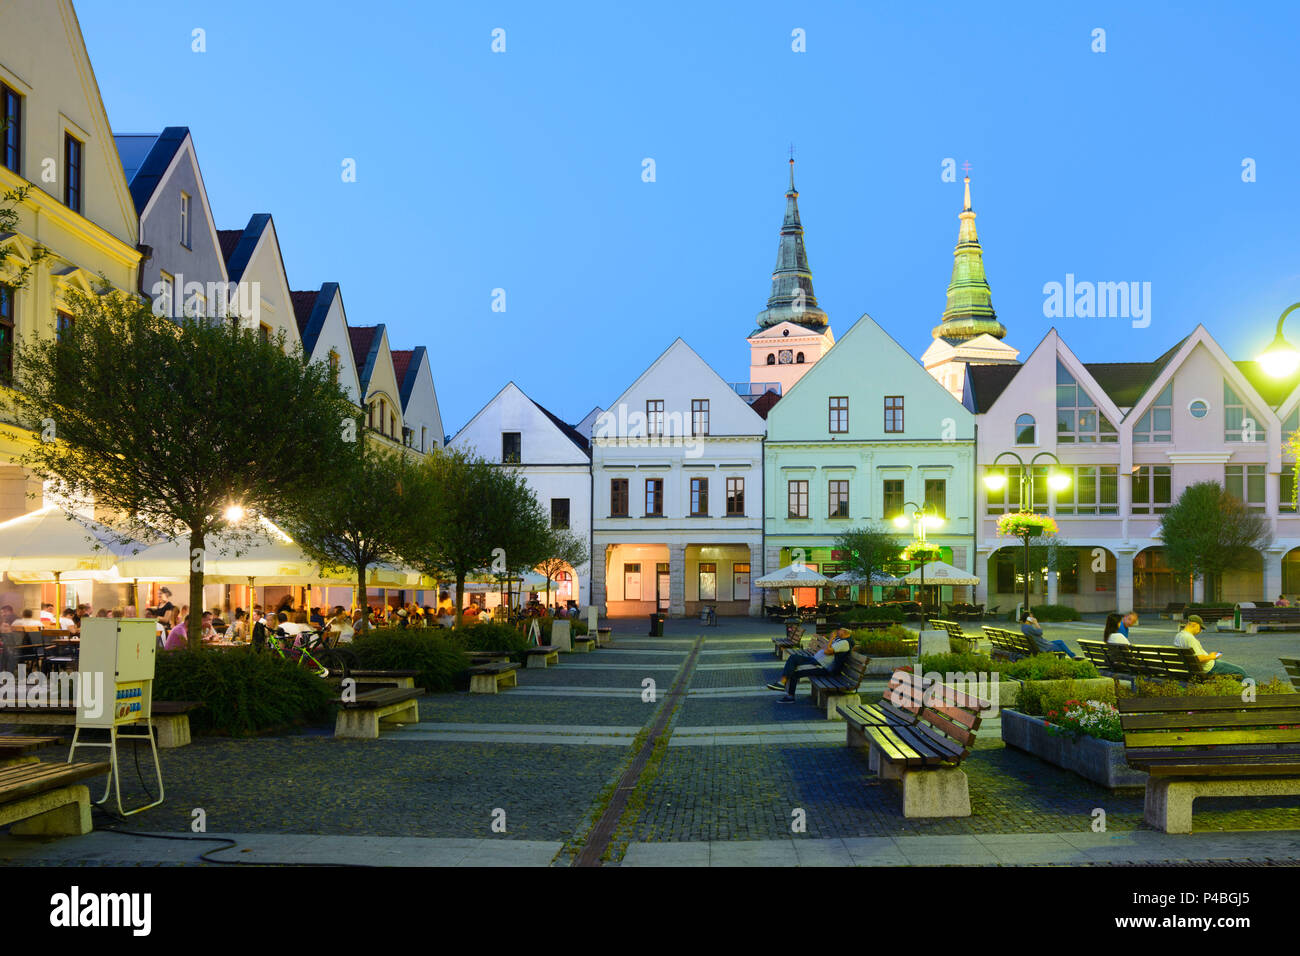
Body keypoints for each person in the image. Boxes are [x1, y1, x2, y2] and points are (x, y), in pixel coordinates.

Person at [766, 628, 854, 703]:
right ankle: (782, 683)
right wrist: (829, 644)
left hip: (822, 666)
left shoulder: (845, 643)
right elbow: (825, 647)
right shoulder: (839, 640)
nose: (837, 631)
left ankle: (789, 695)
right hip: (816, 660)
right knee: (793, 658)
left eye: (839, 630)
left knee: (795, 670)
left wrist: (831, 639)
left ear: (845, 632)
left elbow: (827, 651)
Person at [1174, 614, 1249, 678]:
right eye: (1200, 628)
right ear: (1194, 625)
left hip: (1193, 668)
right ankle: (1254, 688)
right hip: (1208, 668)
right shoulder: (1189, 638)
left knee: (1235, 669)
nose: (1200, 631)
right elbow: (1197, 658)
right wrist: (1211, 656)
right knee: (1240, 671)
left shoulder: (1179, 636)